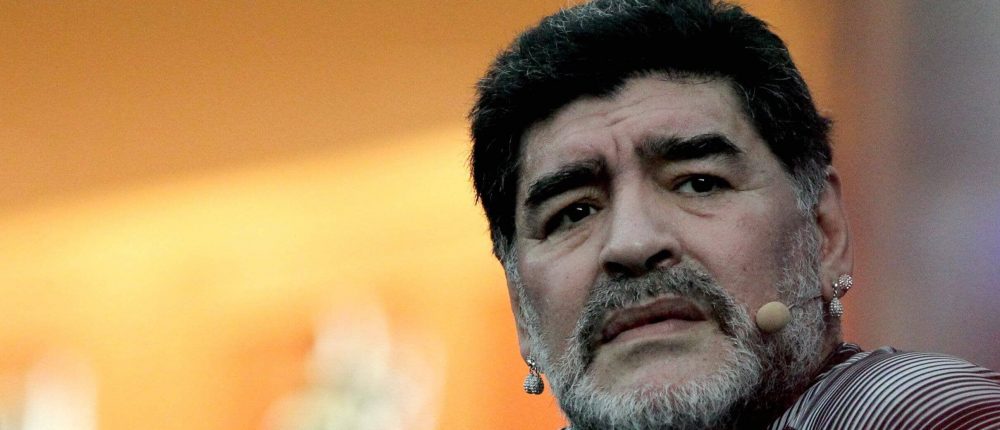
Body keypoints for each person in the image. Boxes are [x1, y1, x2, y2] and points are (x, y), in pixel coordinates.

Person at [467, 0, 1000, 429]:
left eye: (700, 183)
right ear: (522, 311)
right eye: (573, 213)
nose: (631, 243)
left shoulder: (916, 413)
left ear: (824, 233)